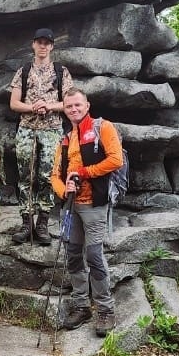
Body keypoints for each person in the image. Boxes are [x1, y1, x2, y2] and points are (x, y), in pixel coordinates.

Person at [51, 88, 124, 335]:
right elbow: (54, 175)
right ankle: (81, 306)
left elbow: (116, 160)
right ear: (64, 109)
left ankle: (105, 310)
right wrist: (64, 189)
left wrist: (84, 173)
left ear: (87, 105)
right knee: (72, 255)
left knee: (93, 255)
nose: (74, 109)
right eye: (69, 106)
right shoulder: (65, 138)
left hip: (95, 204)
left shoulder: (103, 128)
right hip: (71, 206)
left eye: (78, 105)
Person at [8, 28, 73, 246]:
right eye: (39, 42)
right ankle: (26, 222)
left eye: (47, 43)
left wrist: (49, 105)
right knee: (26, 174)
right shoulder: (24, 70)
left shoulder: (61, 71)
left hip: (53, 129)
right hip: (27, 129)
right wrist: (32, 107)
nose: (43, 46)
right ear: (33, 44)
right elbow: (14, 103)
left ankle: (43, 222)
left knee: (48, 175)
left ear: (52, 46)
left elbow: (69, 102)